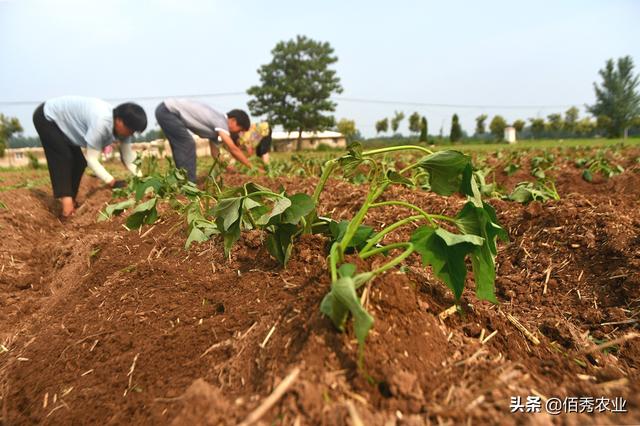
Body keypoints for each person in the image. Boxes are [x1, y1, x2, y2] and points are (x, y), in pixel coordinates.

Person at [32, 96, 147, 218]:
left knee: (79, 162)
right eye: (131, 130)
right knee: (64, 157)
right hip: (48, 117)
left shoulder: (124, 130)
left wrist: (141, 179)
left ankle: (72, 201)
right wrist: (112, 182)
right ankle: (67, 208)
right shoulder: (101, 122)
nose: (132, 134)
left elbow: (128, 157)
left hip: (64, 125)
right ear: (119, 121)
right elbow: (92, 160)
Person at [155, 99, 253, 182]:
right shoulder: (221, 121)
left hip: (166, 111)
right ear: (233, 121)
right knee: (187, 143)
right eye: (239, 130)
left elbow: (215, 154)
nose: (237, 133)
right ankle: (189, 184)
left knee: (182, 144)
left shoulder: (216, 130)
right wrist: (251, 167)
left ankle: (182, 181)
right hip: (167, 111)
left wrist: (229, 168)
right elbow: (233, 149)